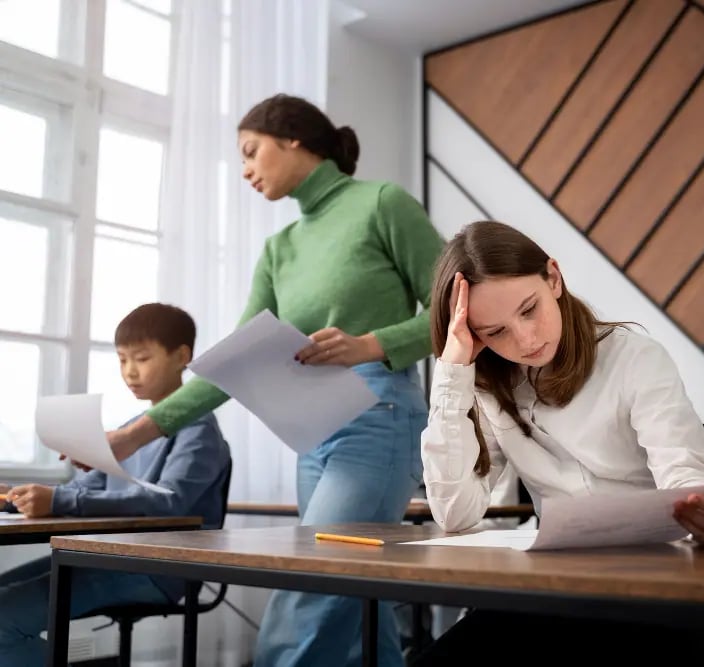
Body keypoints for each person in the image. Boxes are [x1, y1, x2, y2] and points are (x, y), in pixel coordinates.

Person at [95, 94, 442, 667]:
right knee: (358, 599)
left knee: (310, 585)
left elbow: (457, 310)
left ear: (293, 139)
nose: (245, 170)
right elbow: (237, 362)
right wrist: (135, 434)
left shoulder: (382, 203)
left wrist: (372, 344)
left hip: (378, 417)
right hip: (313, 431)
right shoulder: (279, 249)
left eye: (251, 152)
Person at [415, 220, 704, 666]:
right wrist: (452, 371)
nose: (525, 339)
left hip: (656, 596)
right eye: (494, 332)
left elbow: (684, 484)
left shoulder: (635, 359)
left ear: (553, 278)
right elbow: (455, 513)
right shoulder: (489, 387)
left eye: (529, 310)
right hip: (556, 593)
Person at [0, 303, 231, 665]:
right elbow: (86, 490)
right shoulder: (131, 430)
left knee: (2, 619)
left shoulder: (198, 429)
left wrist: (58, 500)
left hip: (159, 570)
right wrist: (16, 498)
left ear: (182, 356)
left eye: (141, 358)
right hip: (106, 558)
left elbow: (169, 502)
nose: (129, 372)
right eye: (122, 360)